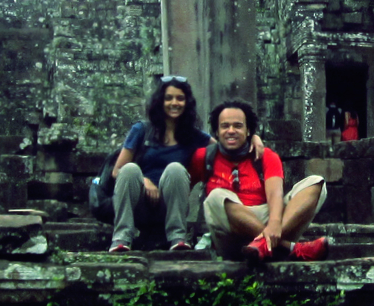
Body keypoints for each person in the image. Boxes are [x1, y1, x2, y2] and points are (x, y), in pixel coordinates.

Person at [192, 99, 329, 262]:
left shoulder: (265, 156)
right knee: (215, 197)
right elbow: (179, 181)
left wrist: (274, 224)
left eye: (238, 126)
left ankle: (265, 245)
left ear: (248, 130)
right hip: (231, 236)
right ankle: (288, 248)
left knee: (316, 183)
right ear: (216, 131)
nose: (231, 130)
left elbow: (274, 195)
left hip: (270, 222)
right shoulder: (203, 157)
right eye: (225, 126)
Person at [107, 77, 212, 253]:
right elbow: (117, 171)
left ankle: (177, 237)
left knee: (176, 169)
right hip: (138, 204)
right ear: (160, 101)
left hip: (171, 206)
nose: (174, 103)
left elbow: (225, 147)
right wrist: (145, 181)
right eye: (168, 98)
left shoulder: (193, 136)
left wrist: (253, 137)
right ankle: (121, 239)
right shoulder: (141, 130)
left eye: (180, 98)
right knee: (130, 169)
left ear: (187, 103)